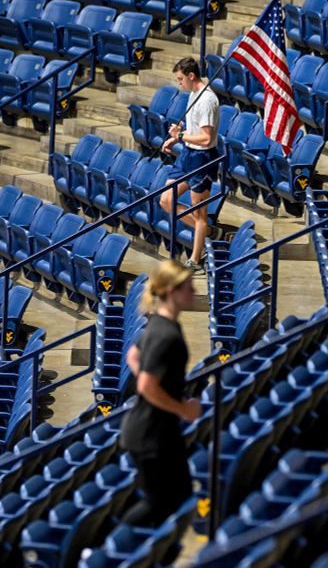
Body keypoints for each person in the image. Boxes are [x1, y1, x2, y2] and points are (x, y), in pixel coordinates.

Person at [120, 261, 202, 526]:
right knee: (161, 503)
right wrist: (183, 409)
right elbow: (145, 385)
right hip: (149, 434)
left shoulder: (160, 325)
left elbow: (133, 356)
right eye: (188, 286)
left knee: (181, 495)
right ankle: (103, 549)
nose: (194, 290)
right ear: (170, 291)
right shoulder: (167, 335)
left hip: (160, 431)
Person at [161, 57, 221, 274]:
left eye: (180, 79)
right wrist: (176, 139)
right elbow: (192, 131)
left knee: (199, 213)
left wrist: (182, 135)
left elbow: (205, 138)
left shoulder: (206, 100)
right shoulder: (194, 94)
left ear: (191, 75)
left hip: (202, 159)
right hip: (187, 155)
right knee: (166, 200)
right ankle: (208, 231)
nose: (179, 83)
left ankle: (195, 260)